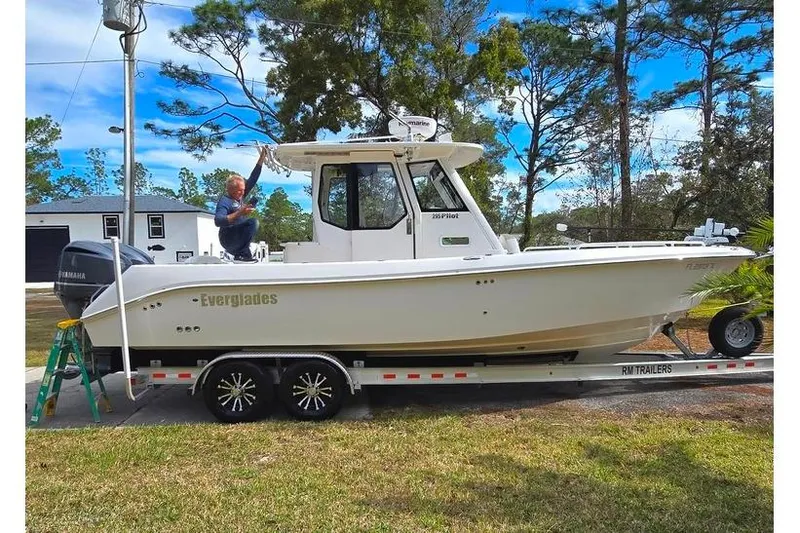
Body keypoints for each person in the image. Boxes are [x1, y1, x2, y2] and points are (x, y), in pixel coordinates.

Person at [215, 146, 268, 263]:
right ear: (231, 190)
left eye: (244, 190)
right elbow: (218, 221)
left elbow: (253, 178)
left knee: (253, 206)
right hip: (228, 239)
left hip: (237, 237)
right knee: (253, 222)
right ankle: (241, 255)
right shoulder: (224, 201)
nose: (243, 193)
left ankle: (244, 254)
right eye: (240, 190)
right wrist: (240, 213)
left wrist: (262, 158)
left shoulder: (240, 195)